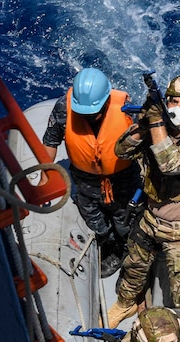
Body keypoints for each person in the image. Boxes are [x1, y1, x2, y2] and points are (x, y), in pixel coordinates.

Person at [107, 75, 180, 327]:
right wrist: (146, 124)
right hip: (150, 219)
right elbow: (122, 150)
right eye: (172, 101)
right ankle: (125, 305)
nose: (176, 108)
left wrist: (157, 123)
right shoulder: (158, 130)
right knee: (134, 266)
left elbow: (170, 164)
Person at [42, 67, 141, 278]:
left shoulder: (127, 110)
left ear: (106, 101)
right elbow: (50, 141)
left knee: (125, 222)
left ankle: (121, 250)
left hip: (122, 181)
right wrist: (44, 179)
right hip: (86, 181)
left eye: (92, 112)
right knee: (94, 221)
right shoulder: (63, 108)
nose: (88, 117)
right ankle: (107, 240)